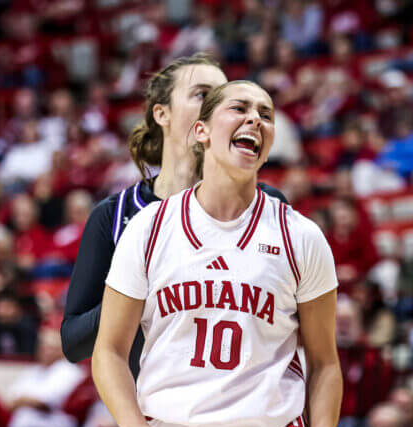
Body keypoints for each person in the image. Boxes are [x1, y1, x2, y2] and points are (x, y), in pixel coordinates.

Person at [92, 81, 350, 427]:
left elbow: (324, 362)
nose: (256, 119)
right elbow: (108, 351)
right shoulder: (148, 230)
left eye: (266, 114)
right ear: (202, 131)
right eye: (241, 108)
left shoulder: (300, 236)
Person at [60, 54, 287, 374]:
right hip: (157, 416)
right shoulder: (116, 215)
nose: (220, 110)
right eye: (203, 95)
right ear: (162, 113)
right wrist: (137, 292)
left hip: (248, 411)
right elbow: (73, 342)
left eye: (228, 102)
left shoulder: (268, 206)